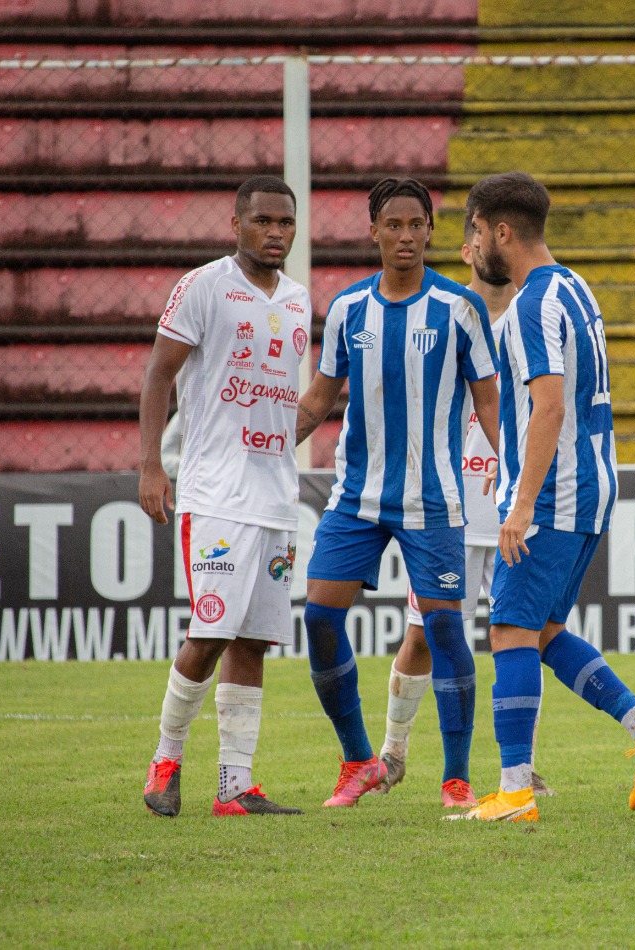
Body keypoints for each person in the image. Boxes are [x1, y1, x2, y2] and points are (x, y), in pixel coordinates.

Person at [451, 171, 635, 823]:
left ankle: (516, 792)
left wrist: (520, 504)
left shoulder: (530, 303)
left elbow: (549, 407)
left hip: (553, 494)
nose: (471, 245)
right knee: (546, 632)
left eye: (475, 231)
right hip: (591, 487)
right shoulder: (573, 286)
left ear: (501, 231)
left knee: (509, 631)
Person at [295, 177, 499, 809]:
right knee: (321, 618)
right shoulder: (350, 309)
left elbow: (490, 401)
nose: (406, 236)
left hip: (434, 498)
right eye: (394, 225)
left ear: (431, 231)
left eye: (417, 225)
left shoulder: (459, 307)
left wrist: (513, 468)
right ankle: (359, 760)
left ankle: (456, 778)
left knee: (443, 632)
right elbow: (320, 399)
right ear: (374, 231)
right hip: (357, 495)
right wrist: (264, 446)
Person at [138, 175, 310, 817]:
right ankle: (165, 760)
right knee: (210, 631)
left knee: (254, 639)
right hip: (215, 491)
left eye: (285, 223)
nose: (275, 232)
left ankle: (234, 785)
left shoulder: (295, 298)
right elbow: (159, 374)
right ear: (235, 224)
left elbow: (282, 398)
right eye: (263, 220)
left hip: (275, 495)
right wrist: (152, 465)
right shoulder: (204, 286)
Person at [376, 218, 554, 801]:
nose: (484, 247)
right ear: (465, 249)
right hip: (450, 505)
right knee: (424, 634)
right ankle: (393, 753)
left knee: (518, 635)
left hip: (511, 505)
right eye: (474, 239)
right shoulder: (445, 314)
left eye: (490, 236)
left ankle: (518, 768)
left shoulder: (534, 315)